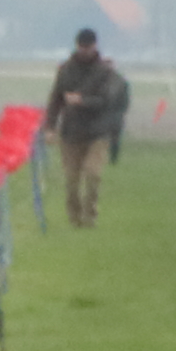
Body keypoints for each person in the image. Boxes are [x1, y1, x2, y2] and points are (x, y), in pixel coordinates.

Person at [45, 24, 134, 225]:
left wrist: (82, 101)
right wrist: (50, 127)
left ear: (95, 46)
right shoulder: (66, 70)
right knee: (71, 179)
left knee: (93, 174)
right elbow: (55, 100)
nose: (84, 51)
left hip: (97, 132)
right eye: (81, 47)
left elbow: (107, 101)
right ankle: (74, 216)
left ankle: (90, 213)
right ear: (77, 46)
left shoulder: (105, 72)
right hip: (71, 133)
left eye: (88, 47)